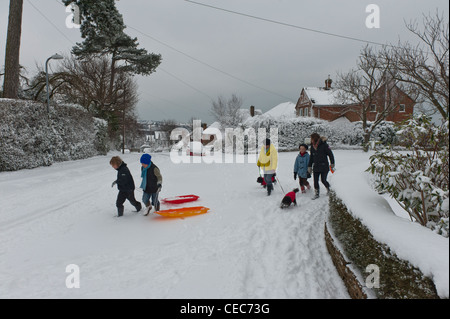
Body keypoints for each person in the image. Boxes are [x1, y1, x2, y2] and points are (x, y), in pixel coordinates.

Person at [308, 133, 335, 200]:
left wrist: (332, 163)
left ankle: (329, 189)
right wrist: (309, 166)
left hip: (324, 166)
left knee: (323, 180)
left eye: (311, 139)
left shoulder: (324, 145)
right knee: (315, 181)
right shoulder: (312, 147)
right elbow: (311, 157)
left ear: (315, 139)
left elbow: (330, 154)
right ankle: (317, 193)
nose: (311, 140)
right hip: (316, 166)